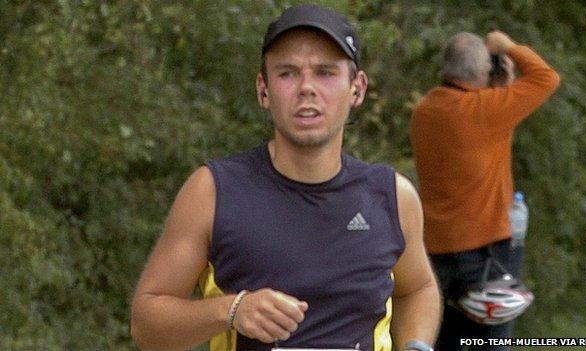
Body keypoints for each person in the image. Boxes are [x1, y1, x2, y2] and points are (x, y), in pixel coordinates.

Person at [131, 4, 441, 351]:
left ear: (357, 88)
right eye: (288, 73)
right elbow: (146, 325)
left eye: (325, 72)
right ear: (263, 90)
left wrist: (416, 345)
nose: (307, 88)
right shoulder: (214, 191)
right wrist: (230, 310)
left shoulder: (392, 196)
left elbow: (417, 289)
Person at [410, 31, 560, 350]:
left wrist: (498, 89)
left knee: (448, 339)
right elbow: (546, 78)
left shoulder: (424, 111)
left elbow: (480, 137)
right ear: (481, 72)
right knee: (488, 343)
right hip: (486, 251)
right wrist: (507, 45)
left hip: (436, 252)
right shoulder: (486, 110)